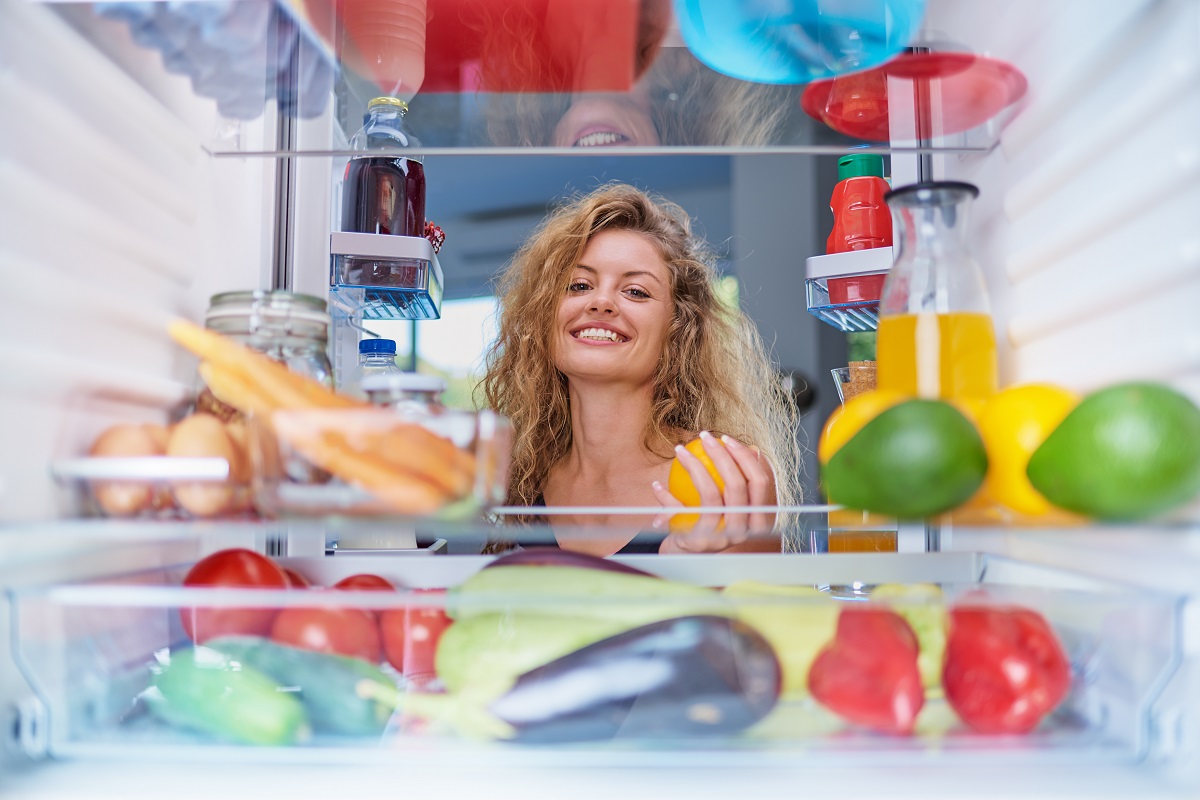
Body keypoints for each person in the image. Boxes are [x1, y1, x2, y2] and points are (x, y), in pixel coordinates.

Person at [478, 183, 803, 555]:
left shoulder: (721, 475)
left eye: (635, 291)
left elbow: (751, 608)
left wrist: (694, 568)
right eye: (579, 285)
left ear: (678, 329)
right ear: (543, 316)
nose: (601, 302)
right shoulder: (518, 480)